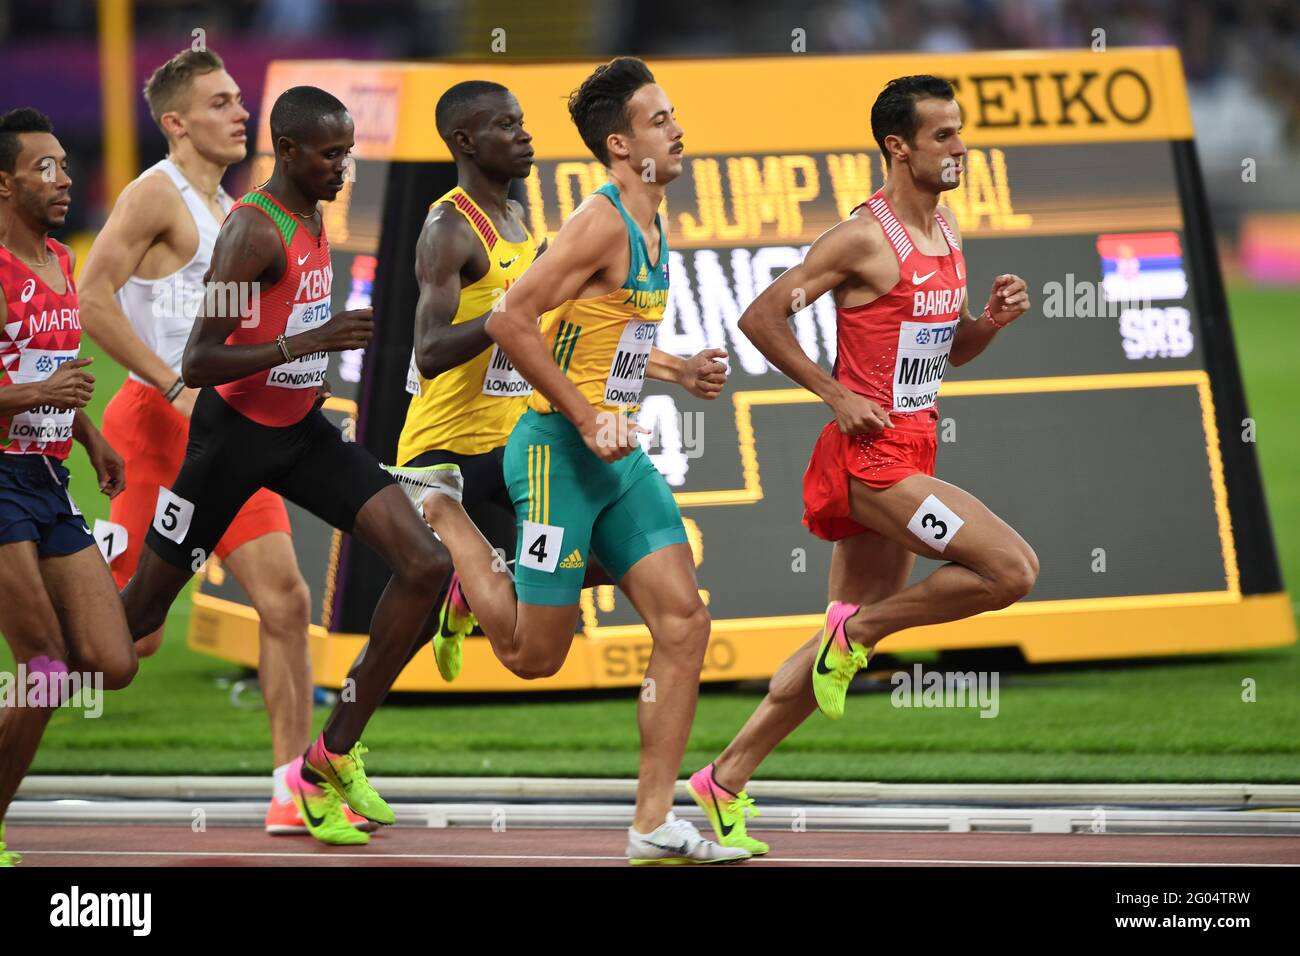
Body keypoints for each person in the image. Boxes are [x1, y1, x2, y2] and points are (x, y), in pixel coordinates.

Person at [687, 75, 1038, 855]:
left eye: (960, 133)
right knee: (1011, 571)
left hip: (912, 448)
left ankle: (724, 777)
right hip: (870, 463)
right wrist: (836, 394)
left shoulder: (946, 234)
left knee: (835, 643)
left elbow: (948, 353)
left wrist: (989, 323)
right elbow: (761, 315)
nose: (960, 149)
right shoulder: (863, 238)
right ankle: (864, 633)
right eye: (943, 136)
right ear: (898, 146)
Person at [420, 57, 745, 865]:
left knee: (685, 620)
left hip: (616, 455)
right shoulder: (601, 221)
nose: (676, 129)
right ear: (620, 144)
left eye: (671, 114)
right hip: (555, 457)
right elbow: (510, 320)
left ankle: (652, 822)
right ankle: (448, 518)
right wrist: (587, 415)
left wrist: (675, 371)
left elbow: (604, 338)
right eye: (659, 119)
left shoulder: (654, 216)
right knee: (535, 656)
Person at [117, 86, 453, 846]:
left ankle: (328, 760)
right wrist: (316, 343)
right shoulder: (252, 234)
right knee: (132, 633)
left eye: (348, 151)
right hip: (229, 444)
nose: (345, 166)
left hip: (301, 436)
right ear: (291, 152)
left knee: (425, 565)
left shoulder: (313, 207)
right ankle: (34, 677)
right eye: (333, 153)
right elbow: (201, 360)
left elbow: (289, 315)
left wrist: (311, 363)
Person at [78, 49, 369, 839]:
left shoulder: (242, 204)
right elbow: (89, 298)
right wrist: (171, 380)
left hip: (236, 428)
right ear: (175, 122)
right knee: (125, 647)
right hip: (156, 426)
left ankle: (290, 790)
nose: (240, 113)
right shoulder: (154, 196)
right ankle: (31, 677)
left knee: (286, 599)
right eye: (218, 103)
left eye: (240, 100)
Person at [0, 109, 132, 866]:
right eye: (44, 168)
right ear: (4, 182)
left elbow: (54, 380)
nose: (64, 179)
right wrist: (39, 394)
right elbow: (32, 384)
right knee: (45, 666)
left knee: (109, 662)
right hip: (0, 478)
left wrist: (90, 434)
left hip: (48, 477)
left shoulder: (60, 258)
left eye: (64, 166)